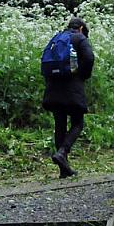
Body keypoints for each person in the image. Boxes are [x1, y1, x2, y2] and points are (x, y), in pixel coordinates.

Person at [42, 16, 94, 178]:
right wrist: (82, 75)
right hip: (72, 87)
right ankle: (63, 152)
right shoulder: (79, 38)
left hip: (53, 87)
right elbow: (89, 58)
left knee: (60, 124)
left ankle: (64, 170)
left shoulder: (57, 38)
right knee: (78, 122)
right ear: (81, 29)